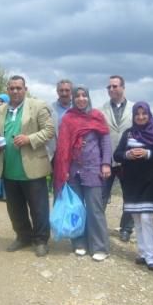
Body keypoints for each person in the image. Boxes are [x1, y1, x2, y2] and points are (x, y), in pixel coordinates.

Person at [0, 75, 54, 257]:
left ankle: (41, 240)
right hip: (9, 169)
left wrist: (29, 139)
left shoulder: (38, 106)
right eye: (12, 88)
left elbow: (49, 130)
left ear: (25, 89)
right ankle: (23, 236)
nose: (15, 91)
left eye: (19, 88)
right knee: (15, 208)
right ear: (7, 90)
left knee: (39, 208)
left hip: (32, 168)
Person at [54, 86, 112, 262]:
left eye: (84, 95)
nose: (81, 99)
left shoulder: (97, 116)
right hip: (73, 171)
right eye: (77, 96)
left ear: (88, 98)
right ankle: (79, 243)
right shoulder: (68, 118)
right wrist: (63, 170)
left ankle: (99, 246)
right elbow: (63, 146)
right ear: (73, 99)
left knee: (95, 209)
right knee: (76, 209)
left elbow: (106, 142)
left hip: (93, 169)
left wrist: (106, 163)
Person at [113, 102, 153, 270]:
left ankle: (151, 256)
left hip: (150, 181)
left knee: (147, 218)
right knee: (136, 218)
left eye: (144, 114)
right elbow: (117, 155)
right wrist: (128, 154)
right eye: (137, 114)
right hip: (132, 182)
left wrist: (147, 153)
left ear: (149, 115)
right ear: (133, 116)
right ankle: (142, 253)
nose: (141, 117)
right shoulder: (128, 134)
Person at [100, 75, 135, 242]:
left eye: (114, 86)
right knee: (101, 195)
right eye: (109, 87)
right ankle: (98, 226)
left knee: (129, 195)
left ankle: (126, 228)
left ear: (123, 87)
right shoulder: (101, 110)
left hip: (128, 160)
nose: (111, 89)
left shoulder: (135, 109)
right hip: (106, 159)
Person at [46, 79, 73, 162]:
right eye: (61, 90)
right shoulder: (49, 108)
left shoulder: (77, 108)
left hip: (74, 152)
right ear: (57, 91)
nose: (64, 93)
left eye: (67, 90)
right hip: (55, 153)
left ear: (71, 91)